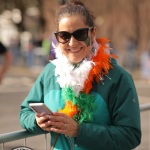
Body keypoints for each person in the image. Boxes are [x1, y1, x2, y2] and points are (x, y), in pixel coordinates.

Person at [20, 0, 141, 150]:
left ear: (93, 33)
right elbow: (25, 112)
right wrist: (36, 122)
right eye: (64, 36)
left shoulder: (117, 78)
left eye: (80, 34)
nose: (72, 43)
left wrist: (79, 131)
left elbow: (130, 136)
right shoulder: (50, 73)